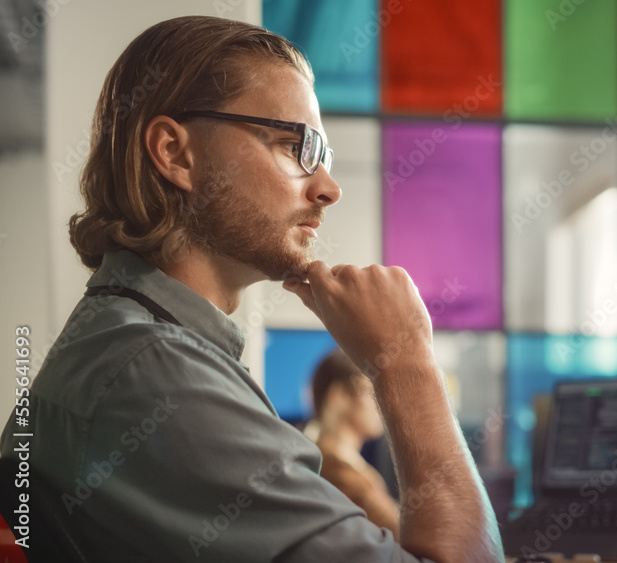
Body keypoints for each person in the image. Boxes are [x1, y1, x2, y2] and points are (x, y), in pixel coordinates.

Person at [0, 15, 502, 563]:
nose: (328, 188)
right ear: (174, 153)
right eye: (294, 146)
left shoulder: (143, 345)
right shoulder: (154, 371)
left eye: (324, 158)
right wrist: (406, 362)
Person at [306, 350, 400, 537]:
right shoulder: (340, 476)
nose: (382, 403)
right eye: (372, 392)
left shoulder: (337, 462)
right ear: (339, 395)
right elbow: (402, 536)